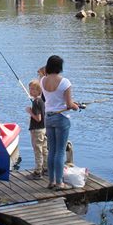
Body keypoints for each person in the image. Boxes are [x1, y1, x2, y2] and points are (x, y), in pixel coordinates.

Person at [40, 55, 80, 190]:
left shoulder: (42, 81)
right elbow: (69, 104)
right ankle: (59, 183)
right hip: (61, 118)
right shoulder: (65, 82)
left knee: (51, 150)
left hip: (48, 117)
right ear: (60, 67)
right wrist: (76, 106)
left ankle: (51, 181)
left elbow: (48, 99)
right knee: (60, 151)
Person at [26, 79, 47, 178]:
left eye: (33, 89)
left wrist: (30, 111)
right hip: (43, 128)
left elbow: (38, 118)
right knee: (44, 149)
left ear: (39, 91)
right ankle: (46, 168)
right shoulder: (41, 101)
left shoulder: (36, 102)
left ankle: (38, 172)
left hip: (37, 129)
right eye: (30, 89)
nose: (31, 91)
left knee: (37, 150)